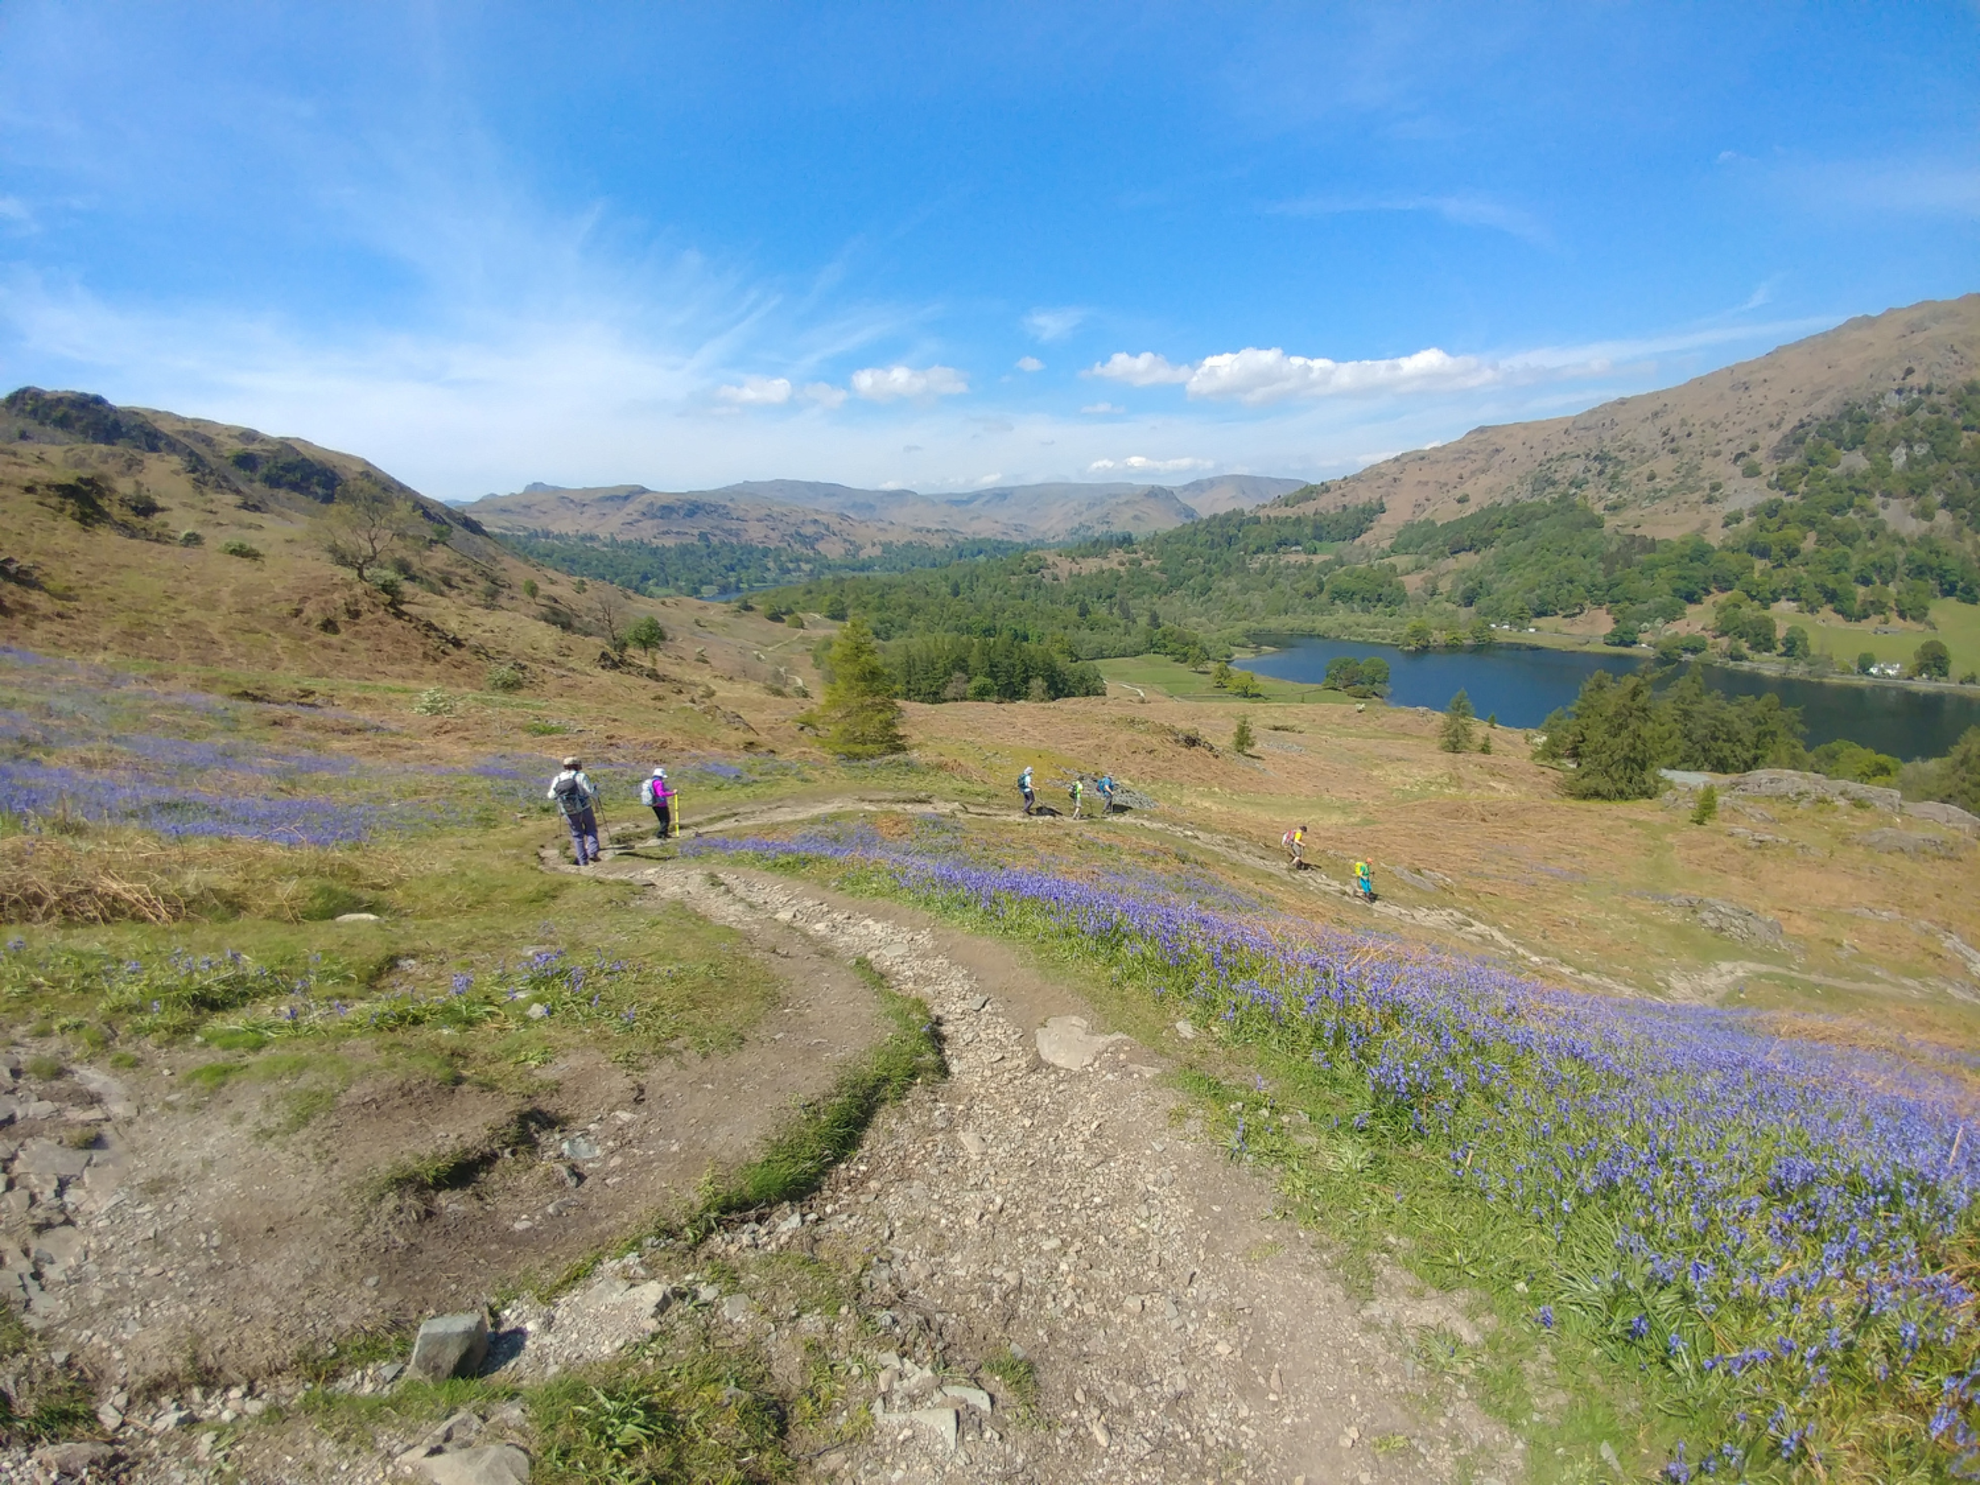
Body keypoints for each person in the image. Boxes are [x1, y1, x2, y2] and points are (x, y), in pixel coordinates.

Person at [547, 756, 601, 865]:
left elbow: (551, 795)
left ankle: (582, 861)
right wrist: (596, 802)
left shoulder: (558, 778)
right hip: (584, 807)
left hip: (568, 810)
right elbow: (590, 792)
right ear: (577, 766)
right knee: (591, 829)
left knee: (577, 834)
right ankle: (593, 852)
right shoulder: (581, 776)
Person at [640, 766, 674, 840]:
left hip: (654, 803)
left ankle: (665, 833)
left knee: (662, 820)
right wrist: (672, 793)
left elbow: (655, 791)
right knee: (666, 820)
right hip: (661, 804)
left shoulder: (652, 782)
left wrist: (665, 789)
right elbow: (660, 793)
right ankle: (660, 834)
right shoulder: (659, 782)